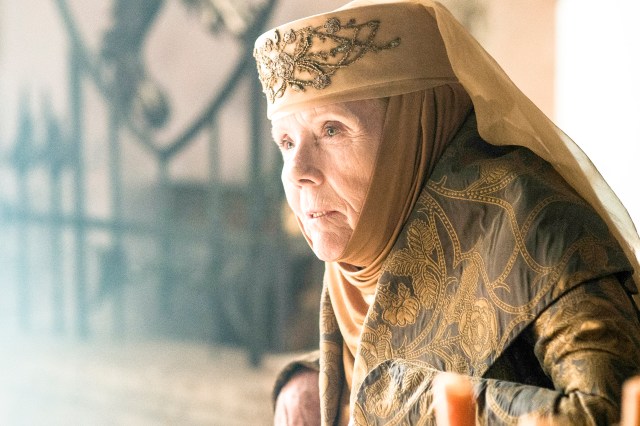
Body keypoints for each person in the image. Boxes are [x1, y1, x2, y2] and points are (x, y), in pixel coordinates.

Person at [252, 0, 640, 424]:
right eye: (286, 142)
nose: (299, 173)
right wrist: (318, 376)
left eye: (332, 130)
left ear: (412, 130)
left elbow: (612, 410)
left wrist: (400, 400)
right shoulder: (373, 226)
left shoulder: (534, 219)